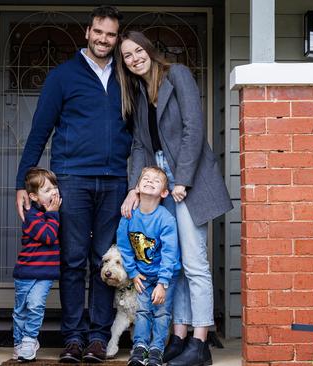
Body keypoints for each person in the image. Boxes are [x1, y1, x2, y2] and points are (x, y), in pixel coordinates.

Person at [14, 6, 132, 363]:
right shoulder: (63, 76)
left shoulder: (126, 76)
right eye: (99, 32)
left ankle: (98, 337)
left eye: (111, 35)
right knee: (73, 259)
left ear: (117, 37)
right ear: (87, 31)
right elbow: (40, 131)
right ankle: (73, 338)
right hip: (73, 179)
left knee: (103, 259)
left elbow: (140, 130)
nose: (104, 39)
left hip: (114, 180)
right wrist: (24, 182)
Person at [116, 31, 233, 366]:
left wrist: (181, 179)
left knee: (195, 263)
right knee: (174, 263)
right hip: (156, 180)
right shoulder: (138, 94)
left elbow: (193, 128)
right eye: (127, 55)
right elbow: (140, 146)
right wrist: (134, 188)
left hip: (186, 174)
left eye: (139, 50)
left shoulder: (177, 74)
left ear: (150, 50)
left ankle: (200, 341)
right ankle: (179, 338)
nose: (135, 58)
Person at [116, 167, 180, 366]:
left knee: (161, 313)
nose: (150, 181)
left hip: (165, 276)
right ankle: (140, 348)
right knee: (142, 312)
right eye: (145, 178)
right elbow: (124, 247)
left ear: (164, 193)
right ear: (137, 187)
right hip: (142, 275)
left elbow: (170, 254)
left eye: (156, 180)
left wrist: (163, 283)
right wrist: (133, 273)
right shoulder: (129, 216)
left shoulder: (166, 219)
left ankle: (156, 350)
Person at [12, 167, 62, 362]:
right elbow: (48, 236)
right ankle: (18, 342)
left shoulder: (54, 213)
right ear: (33, 196)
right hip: (25, 273)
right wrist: (53, 214)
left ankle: (29, 339)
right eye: (47, 190)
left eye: (55, 187)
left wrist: (53, 213)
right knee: (20, 310)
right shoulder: (31, 217)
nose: (54, 192)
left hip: (45, 273)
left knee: (35, 305)